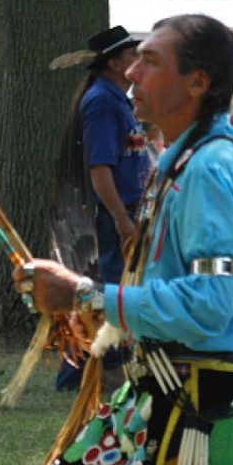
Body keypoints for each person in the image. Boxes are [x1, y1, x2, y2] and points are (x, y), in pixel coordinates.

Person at [9, 14, 233, 465]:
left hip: (200, 417)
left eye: (150, 60)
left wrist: (86, 294)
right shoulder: (188, 159)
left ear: (198, 82)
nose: (131, 71)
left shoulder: (212, 170)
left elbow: (209, 305)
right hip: (151, 403)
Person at [77, 25, 152, 285]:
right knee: (119, 286)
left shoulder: (118, 99)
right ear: (114, 63)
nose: (139, 60)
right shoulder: (103, 101)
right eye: (133, 54)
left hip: (129, 211)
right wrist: (121, 218)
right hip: (117, 214)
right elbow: (99, 167)